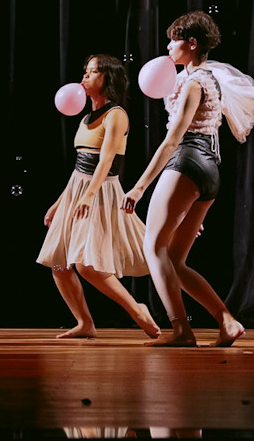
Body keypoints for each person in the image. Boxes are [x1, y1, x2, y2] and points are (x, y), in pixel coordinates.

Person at [121, 11, 254, 348]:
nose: (168, 47)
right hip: (209, 170)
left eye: (174, 40)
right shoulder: (208, 79)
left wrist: (139, 187)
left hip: (187, 161)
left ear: (191, 43)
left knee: (153, 247)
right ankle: (227, 321)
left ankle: (181, 330)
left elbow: (173, 139)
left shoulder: (193, 83)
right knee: (174, 260)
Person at [37, 54, 161, 339]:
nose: (85, 76)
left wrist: (89, 195)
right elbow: (79, 169)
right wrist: (60, 202)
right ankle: (85, 323)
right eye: (86, 71)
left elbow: (106, 161)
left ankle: (137, 309)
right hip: (78, 191)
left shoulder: (116, 114)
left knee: (87, 265)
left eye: (92, 72)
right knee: (59, 264)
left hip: (101, 192)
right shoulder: (85, 118)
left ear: (108, 79)